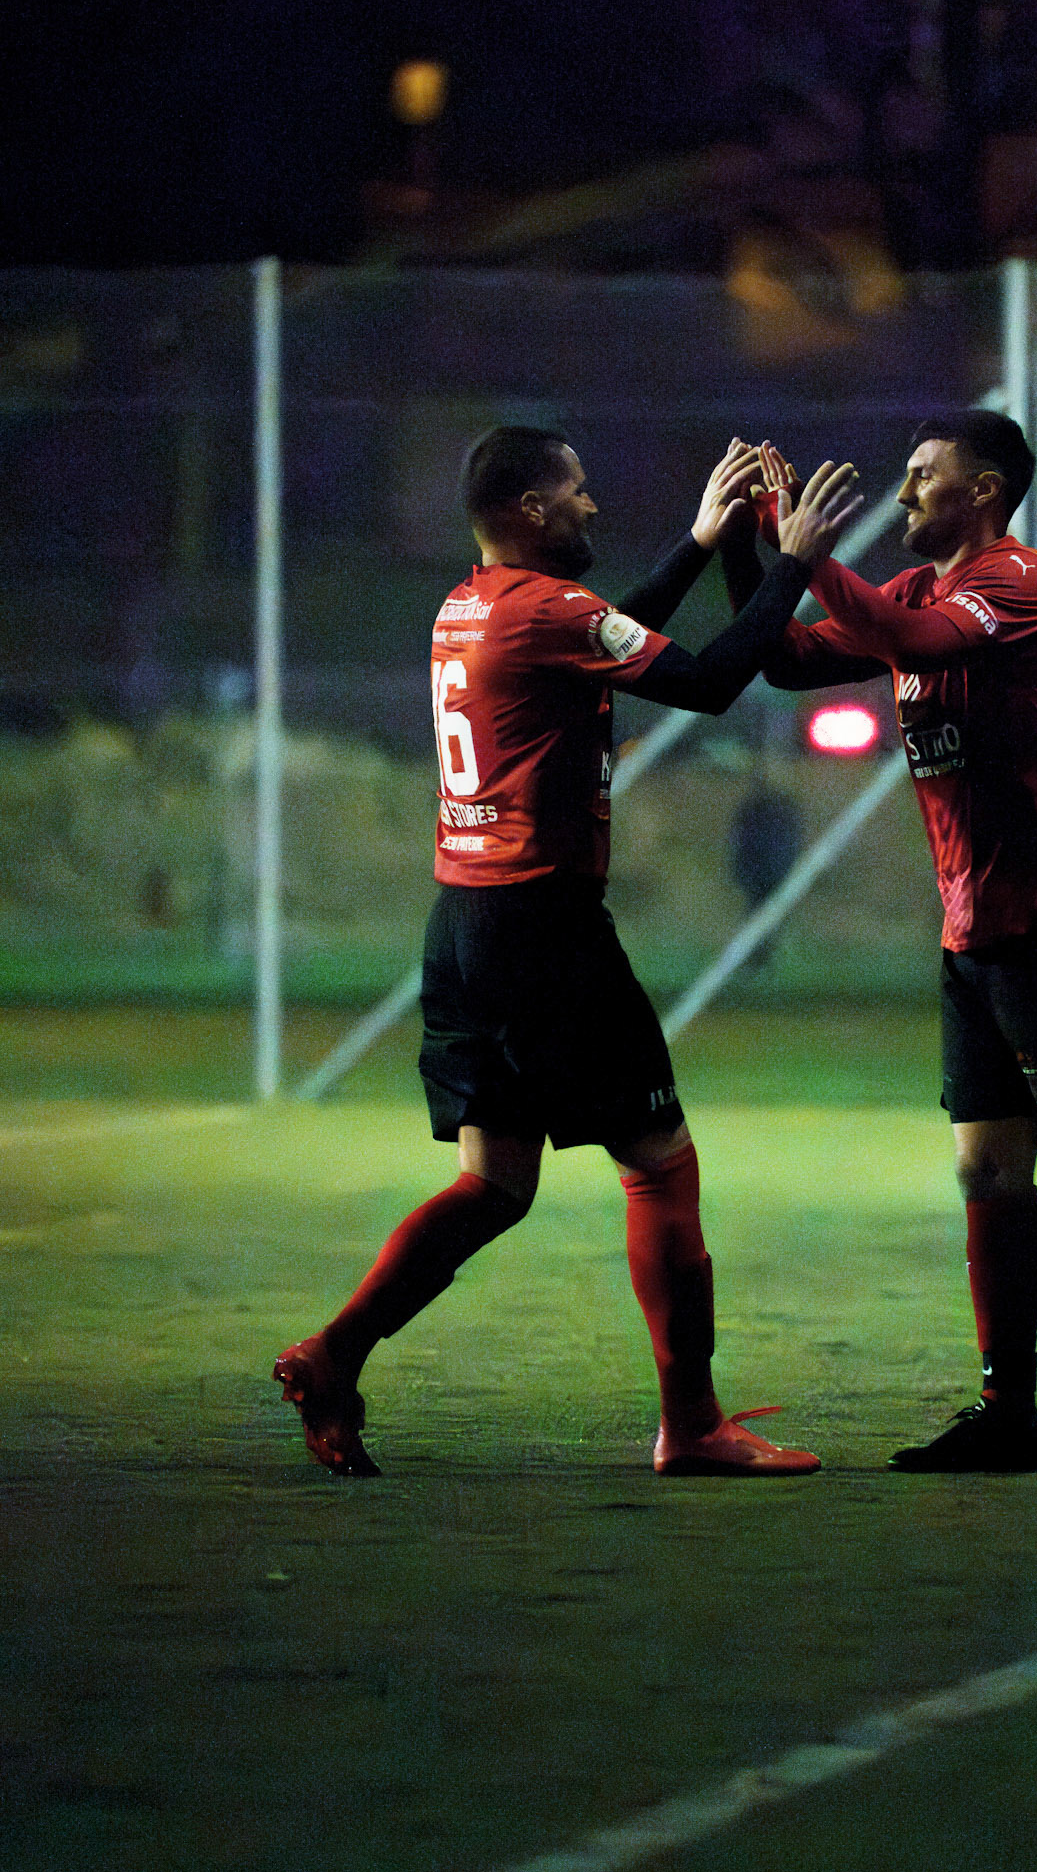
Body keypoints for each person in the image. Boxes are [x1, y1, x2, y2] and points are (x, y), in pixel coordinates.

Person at [274, 428, 861, 1478]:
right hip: (545, 932)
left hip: (463, 925)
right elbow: (716, 678)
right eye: (579, 491)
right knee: (662, 1167)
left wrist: (694, 544)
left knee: (496, 1184)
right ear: (534, 511)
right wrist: (798, 562)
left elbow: (601, 634)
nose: (593, 506)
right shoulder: (550, 611)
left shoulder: (471, 603)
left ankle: (334, 1352)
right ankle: (692, 1426)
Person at [731, 411, 1037, 1476]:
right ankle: (1009, 1412)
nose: (903, 494)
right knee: (987, 1168)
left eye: (920, 477)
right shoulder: (908, 591)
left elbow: (917, 645)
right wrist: (753, 551)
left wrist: (803, 553)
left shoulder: (1019, 583)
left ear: (982, 490)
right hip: (975, 930)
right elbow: (787, 659)